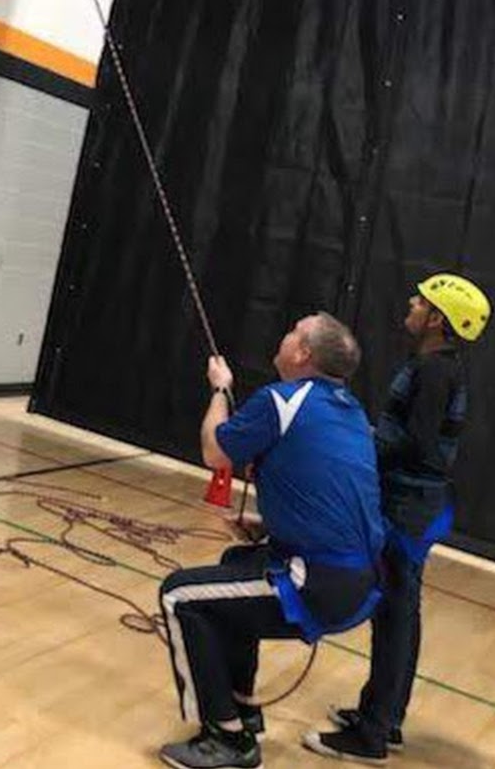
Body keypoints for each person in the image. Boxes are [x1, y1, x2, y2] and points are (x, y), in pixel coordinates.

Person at [159, 312, 385, 769]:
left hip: (318, 582)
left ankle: (227, 741)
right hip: (359, 581)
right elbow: (330, 496)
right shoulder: (350, 410)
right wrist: (269, 527)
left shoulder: (282, 400)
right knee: (235, 562)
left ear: (302, 353)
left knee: (179, 595)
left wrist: (220, 389)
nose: (284, 335)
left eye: (293, 332)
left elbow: (214, 453)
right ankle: (242, 707)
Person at [304, 274, 491, 765]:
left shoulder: (434, 372)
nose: (411, 303)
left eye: (421, 302)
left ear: (437, 321)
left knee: (394, 613)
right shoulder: (436, 366)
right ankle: (386, 716)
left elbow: (417, 443)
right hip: (415, 501)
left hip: (409, 506)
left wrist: (360, 446)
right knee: (400, 610)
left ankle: (372, 734)